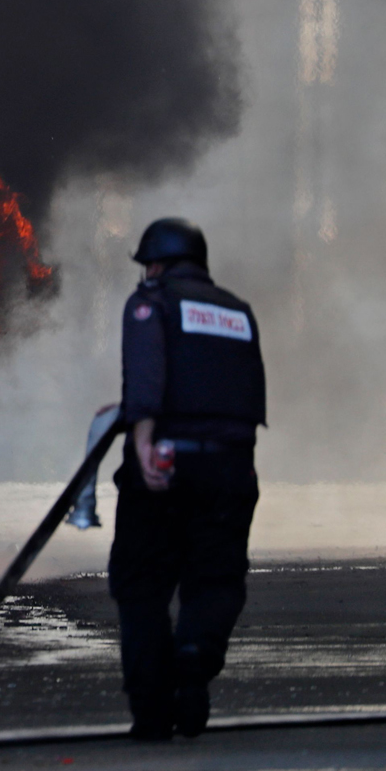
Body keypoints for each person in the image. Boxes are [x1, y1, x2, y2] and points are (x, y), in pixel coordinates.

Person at [109, 217, 265, 741]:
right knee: (216, 579)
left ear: (157, 264)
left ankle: (153, 712)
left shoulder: (152, 303)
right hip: (231, 469)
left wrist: (145, 442)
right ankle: (195, 659)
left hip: (167, 465)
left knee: (142, 585)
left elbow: (146, 377)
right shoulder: (236, 312)